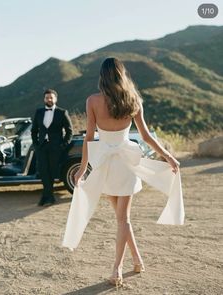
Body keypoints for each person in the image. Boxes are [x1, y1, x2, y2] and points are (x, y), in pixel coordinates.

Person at [62, 58, 184, 287]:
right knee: (122, 219)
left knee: (121, 219)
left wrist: (82, 168)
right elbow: (146, 136)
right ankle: (137, 260)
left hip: (105, 164)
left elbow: (88, 138)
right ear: (122, 75)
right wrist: (168, 156)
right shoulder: (133, 99)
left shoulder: (93, 101)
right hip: (126, 163)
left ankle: (117, 269)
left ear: (102, 77)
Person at [31, 89, 73, 206]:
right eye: (47, 98)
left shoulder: (62, 112)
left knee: (52, 171)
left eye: (51, 97)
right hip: (41, 147)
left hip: (56, 147)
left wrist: (63, 145)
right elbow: (34, 130)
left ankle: (47, 196)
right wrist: (36, 144)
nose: (49, 99)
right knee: (43, 171)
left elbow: (70, 131)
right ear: (44, 99)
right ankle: (48, 196)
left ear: (55, 99)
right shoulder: (39, 112)